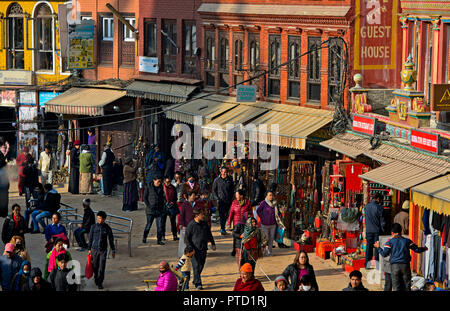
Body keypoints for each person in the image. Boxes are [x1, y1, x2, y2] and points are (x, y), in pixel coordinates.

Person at [374, 222, 428, 291]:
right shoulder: (407, 241)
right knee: (407, 287)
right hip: (405, 266)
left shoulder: (389, 242)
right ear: (401, 231)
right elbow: (417, 250)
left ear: (392, 232)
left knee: (396, 287)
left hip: (394, 266)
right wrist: (425, 248)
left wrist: (378, 247)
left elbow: (384, 254)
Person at [185, 208, 216, 290]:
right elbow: (186, 238)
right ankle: (198, 284)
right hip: (194, 250)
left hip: (203, 249)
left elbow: (209, 234)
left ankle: (195, 279)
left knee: (201, 266)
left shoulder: (205, 224)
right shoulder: (191, 225)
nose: (204, 216)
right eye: (202, 214)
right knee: (196, 266)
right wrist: (190, 248)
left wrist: (213, 243)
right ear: (196, 215)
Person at [88, 211, 115, 289]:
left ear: (104, 219)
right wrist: (89, 249)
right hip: (94, 250)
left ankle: (100, 282)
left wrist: (113, 250)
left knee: (102, 267)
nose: (99, 220)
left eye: (100, 218)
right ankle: (96, 278)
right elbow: (90, 238)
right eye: (98, 218)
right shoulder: (93, 227)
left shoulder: (107, 228)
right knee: (95, 266)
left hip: (103, 250)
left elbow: (111, 239)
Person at [364, 192, 386, 269]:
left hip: (368, 230)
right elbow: (382, 221)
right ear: (378, 199)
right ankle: (377, 265)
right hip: (377, 231)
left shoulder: (366, 206)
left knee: (369, 247)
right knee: (377, 248)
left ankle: (367, 264)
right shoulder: (379, 207)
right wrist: (383, 231)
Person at [143, 176, 166, 245]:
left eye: (160, 181)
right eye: (158, 181)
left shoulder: (161, 187)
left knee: (159, 226)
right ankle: (144, 237)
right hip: (150, 210)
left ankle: (159, 240)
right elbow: (145, 198)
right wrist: (149, 206)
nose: (159, 183)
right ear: (154, 180)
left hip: (159, 210)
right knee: (148, 225)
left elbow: (163, 197)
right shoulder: (148, 187)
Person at [212, 167, 235, 235]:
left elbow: (232, 190)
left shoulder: (230, 180)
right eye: (223, 172)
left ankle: (223, 227)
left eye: (226, 172)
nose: (225, 173)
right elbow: (214, 190)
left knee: (226, 215)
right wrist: (217, 198)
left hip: (228, 200)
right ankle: (222, 229)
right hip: (220, 201)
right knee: (222, 215)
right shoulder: (217, 180)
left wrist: (231, 199)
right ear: (221, 172)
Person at [228, 189, 252, 256]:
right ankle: (234, 250)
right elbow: (231, 213)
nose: (236, 196)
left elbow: (250, 213)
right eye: (236, 195)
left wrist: (252, 221)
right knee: (236, 236)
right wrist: (229, 222)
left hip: (245, 223)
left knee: (246, 236)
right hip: (236, 222)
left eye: (237, 195)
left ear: (241, 196)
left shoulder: (247, 202)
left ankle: (246, 250)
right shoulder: (234, 202)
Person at [257, 191, 279, 256]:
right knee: (265, 239)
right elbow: (258, 211)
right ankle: (263, 251)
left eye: (272, 195)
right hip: (264, 224)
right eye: (269, 195)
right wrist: (262, 217)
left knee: (271, 238)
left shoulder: (275, 203)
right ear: (266, 196)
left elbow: (277, 212)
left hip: (273, 224)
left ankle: (270, 252)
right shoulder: (263, 203)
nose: (271, 196)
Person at [178, 191, 197, 257]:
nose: (194, 197)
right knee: (184, 240)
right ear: (189, 196)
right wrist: (180, 223)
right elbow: (181, 215)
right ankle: (183, 254)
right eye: (193, 196)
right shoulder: (184, 204)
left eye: (195, 196)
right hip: (186, 225)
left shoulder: (196, 204)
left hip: (194, 225)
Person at [162, 176, 179, 241]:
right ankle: (163, 236)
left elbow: (175, 197)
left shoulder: (173, 188)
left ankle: (174, 235)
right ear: (164, 182)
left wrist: (172, 202)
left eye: (169, 182)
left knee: (173, 222)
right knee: (163, 222)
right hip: (164, 207)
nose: (168, 183)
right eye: (167, 182)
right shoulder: (161, 188)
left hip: (172, 206)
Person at [0, 137, 10, 218]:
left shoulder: (4, 156)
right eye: (3, 147)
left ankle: (4, 213)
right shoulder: (2, 156)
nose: (4, 148)